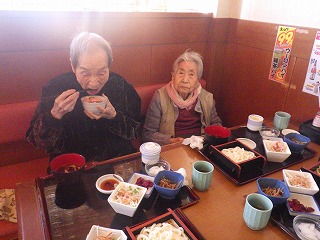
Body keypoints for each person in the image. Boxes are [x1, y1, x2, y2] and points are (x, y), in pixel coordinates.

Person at [26, 32, 141, 165]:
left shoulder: (121, 86)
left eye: (102, 73)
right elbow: (37, 141)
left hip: (116, 163)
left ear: (109, 66)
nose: (93, 83)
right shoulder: (55, 88)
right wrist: (53, 117)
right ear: (73, 66)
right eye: (85, 73)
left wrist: (114, 117)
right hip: (72, 168)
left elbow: (136, 132)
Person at [142, 50, 222, 145]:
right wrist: (171, 141)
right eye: (181, 73)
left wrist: (205, 138)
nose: (185, 80)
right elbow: (148, 134)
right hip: (173, 147)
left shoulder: (207, 98)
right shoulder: (160, 97)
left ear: (197, 81)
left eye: (191, 74)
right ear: (173, 76)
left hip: (201, 146)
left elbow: (217, 125)